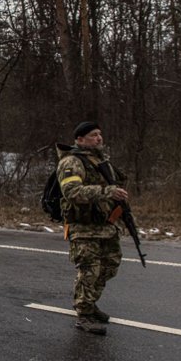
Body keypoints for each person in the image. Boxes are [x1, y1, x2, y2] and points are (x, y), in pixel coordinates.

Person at [56, 121, 129, 335]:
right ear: (79, 140)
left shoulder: (99, 161)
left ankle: (90, 303)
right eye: (93, 135)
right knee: (89, 270)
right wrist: (107, 191)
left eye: (100, 134)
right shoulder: (71, 161)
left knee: (109, 266)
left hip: (105, 226)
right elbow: (71, 191)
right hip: (83, 227)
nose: (99, 138)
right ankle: (84, 314)